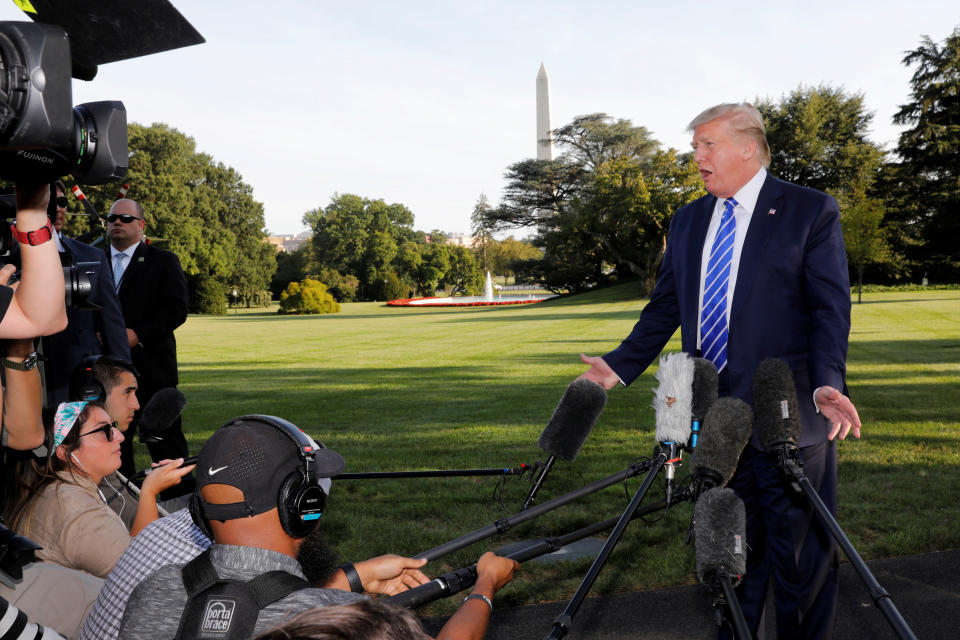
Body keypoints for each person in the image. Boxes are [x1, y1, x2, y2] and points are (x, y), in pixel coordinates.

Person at [578, 103, 861, 640]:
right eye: (695, 147)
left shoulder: (809, 211)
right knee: (728, 561)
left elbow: (830, 309)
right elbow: (666, 306)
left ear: (748, 147)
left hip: (789, 418)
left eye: (707, 144)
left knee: (802, 566)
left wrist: (828, 382)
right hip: (713, 423)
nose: (696, 156)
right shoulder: (687, 221)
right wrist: (619, 365)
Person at [117, 415, 518, 640]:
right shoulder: (346, 620)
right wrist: (484, 585)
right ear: (301, 504)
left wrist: (347, 580)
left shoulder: (156, 590)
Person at [2, 401, 193, 578]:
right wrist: (149, 492)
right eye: (104, 430)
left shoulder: (59, 491)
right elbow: (138, 572)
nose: (120, 436)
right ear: (65, 452)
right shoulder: (75, 507)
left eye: (113, 427)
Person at [105, 197, 189, 481]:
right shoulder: (92, 260)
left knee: (167, 446)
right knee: (113, 444)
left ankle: (182, 507)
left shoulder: (163, 262)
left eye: (125, 218)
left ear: (141, 225)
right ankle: (121, 507)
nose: (117, 222)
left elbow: (176, 310)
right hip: (106, 373)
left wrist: (137, 335)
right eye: (112, 218)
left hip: (153, 372)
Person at [41, 181, 130, 408]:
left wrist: (124, 380)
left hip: (78, 378)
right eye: (50, 202)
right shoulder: (10, 254)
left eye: (62, 202)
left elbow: (112, 323)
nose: (58, 209)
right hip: (25, 375)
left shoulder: (91, 256)